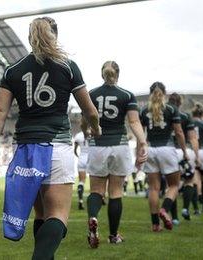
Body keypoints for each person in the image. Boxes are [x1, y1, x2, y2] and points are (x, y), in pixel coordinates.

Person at [0, 17, 100, 260]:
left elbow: (0, 112)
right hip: (56, 144)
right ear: (55, 35)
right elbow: (89, 110)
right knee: (57, 216)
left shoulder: (13, 70)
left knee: (41, 215)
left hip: (26, 147)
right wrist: (96, 129)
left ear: (30, 37)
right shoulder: (68, 66)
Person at [84, 61, 147, 247]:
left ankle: (93, 218)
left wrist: (88, 130)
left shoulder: (92, 94)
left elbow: (85, 121)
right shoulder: (127, 95)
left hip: (98, 145)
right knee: (116, 192)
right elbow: (134, 122)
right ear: (118, 74)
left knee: (96, 191)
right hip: (119, 145)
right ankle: (113, 236)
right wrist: (142, 142)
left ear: (101, 74)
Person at [140, 82, 185, 232]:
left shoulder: (144, 110)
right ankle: (165, 210)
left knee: (153, 188)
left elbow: (141, 135)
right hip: (167, 149)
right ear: (164, 93)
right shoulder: (172, 109)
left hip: (151, 149)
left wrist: (139, 153)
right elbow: (178, 132)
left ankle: (155, 224)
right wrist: (184, 150)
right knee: (174, 185)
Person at [167, 93, 199, 221]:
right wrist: (196, 156)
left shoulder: (165, 114)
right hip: (183, 150)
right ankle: (185, 208)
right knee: (189, 181)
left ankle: (174, 218)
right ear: (180, 103)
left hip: (169, 150)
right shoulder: (186, 116)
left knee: (172, 185)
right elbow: (193, 138)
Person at [73, 130, 88, 210]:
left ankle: (81, 200)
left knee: (81, 181)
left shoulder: (78, 135)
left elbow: (75, 150)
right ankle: (100, 199)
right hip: (92, 157)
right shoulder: (93, 132)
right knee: (96, 181)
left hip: (82, 158)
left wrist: (79, 157)